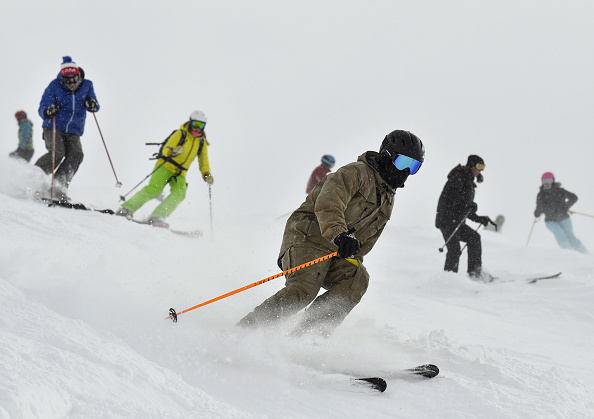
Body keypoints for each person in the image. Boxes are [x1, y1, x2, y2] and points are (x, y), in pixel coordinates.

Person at [237, 130, 425, 337]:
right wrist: (339, 234)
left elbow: (367, 239)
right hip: (308, 239)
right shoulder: (356, 173)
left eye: (414, 166)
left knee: (357, 279)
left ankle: (307, 335)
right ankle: (248, 329)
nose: (407, 170)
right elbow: (328, 203)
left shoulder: (387, 196)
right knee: (303, 290)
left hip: (336, 251)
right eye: (403, 162)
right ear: (387, 156)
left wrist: (353, 255)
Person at [115, 110, 213, 228]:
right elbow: (166, 148)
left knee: (180, 194)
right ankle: (126, 209)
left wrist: (206, 174)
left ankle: (157, 216)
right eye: (196, 124)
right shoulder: (180, 134)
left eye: (201, 125)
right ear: (190, 122)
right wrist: (171, 151)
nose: (197, 128)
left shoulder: (201, 142)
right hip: (165, 165)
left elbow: (204, 161)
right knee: (154, 189)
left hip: (180, 173)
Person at [35, 56, 99, 202]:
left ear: (79, 76)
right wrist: (47, 111)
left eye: (75, 80)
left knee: (76, 155)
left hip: (74, 130)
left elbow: (95, 103)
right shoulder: (54, 85)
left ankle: (58, 188)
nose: (72, 84)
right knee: (57, 152)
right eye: (68, 81)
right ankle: (32, 179)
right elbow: (43, 105)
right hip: (54, 126)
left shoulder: (87, 85)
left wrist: (92, 104)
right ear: (63, 79)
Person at [435, 155, 495, 280]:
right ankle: (448, 280)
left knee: (474, 238)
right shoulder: (458, 177)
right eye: (479, 166)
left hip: (456, 222)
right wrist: (469, 204)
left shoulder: (468, 182)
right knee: (455, 249)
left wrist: (480, 219)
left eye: (482, 168)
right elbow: (452, 199)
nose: (480, 171)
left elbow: (465, 209)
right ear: (471, 165)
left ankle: (474, 273)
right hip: (447, 220)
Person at [534, 172, 587, 253]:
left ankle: (585, 254)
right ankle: (569, 255)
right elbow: (538, 208)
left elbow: (574, 197)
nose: (547, 183)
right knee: (560, 234)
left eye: (549, 180)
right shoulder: (541, 195)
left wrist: (566, 206)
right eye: (544, 181)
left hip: (564, 218)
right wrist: (537, 212)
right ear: (542, 182)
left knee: (571, 237)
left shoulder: (559, 191)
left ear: (553, 181)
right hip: (550, 221)